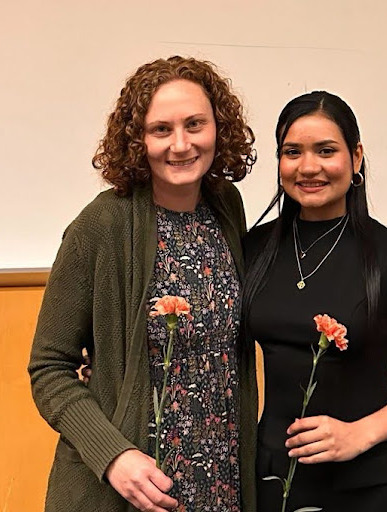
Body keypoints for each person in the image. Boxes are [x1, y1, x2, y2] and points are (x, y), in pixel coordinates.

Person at [28, 55, 258, 512]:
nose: (181, 144)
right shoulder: (101, 226)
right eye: (161, 130)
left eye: (195, 124)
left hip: (221, 482)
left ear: (220, 128)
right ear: (137, 138)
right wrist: (114, 456)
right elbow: (48, 368)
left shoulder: (226, 207)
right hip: (133, 489)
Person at [242, 91, 387, 512]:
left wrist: (360, 434)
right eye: (292, 152)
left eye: (326, 151)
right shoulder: (254, 249)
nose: (308, 167)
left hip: (370, 483)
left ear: (355, 158)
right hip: (275, 477)